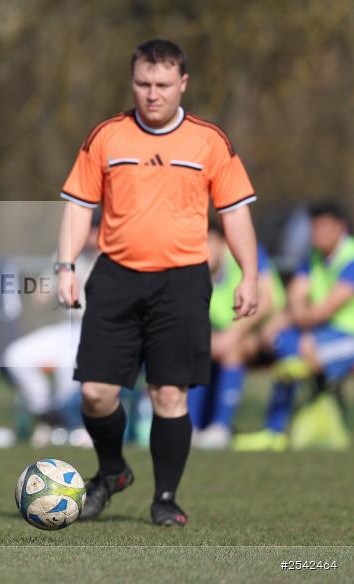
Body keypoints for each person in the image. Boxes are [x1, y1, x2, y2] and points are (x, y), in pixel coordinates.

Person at [56, 39, 259, 526]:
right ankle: (112, 471)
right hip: (116, 277)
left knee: (169, 395)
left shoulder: (210, 141)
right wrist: (64, 266)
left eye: (163, 85)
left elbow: (235, 215)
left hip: (182, 283)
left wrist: (249, 275)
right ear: (133, 82)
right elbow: (79, 206)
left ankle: (165, 498)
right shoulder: (106, 136)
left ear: (182, 84)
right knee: (96, 394)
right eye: (144, 84)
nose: (153, 94)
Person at [234, 200, 354, 451]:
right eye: (314, 228)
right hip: (319, 336)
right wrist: (282, 322)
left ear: (340, 228)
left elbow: (323, 311)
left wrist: (299, 315)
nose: (317, 234)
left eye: (323, 227)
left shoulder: (350, 258)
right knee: (279, 338)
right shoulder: (312, 257)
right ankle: (275, 432)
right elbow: (295, 297)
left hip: (347, 338)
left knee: (300, 348)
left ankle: (279, 428)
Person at [3, 212, 100, 448]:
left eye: (93, 229)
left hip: (101, 332)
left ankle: (74, 425)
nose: (88, 235)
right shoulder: (68, 256)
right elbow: (40, 295)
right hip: (71, 328)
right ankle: (48, 415)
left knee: (68, 362)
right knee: (16, 355)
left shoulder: (116, 258)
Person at [188, 223, 285, 449]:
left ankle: (220, 428)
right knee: (193, 349)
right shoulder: (192, 271)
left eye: (207, 242)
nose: (203, 250)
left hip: (265, 332)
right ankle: (190, 427)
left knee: (232, 350)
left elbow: (266, 300)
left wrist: (233, 335)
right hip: (220, 337)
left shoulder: (245, 254)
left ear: (222, 242)